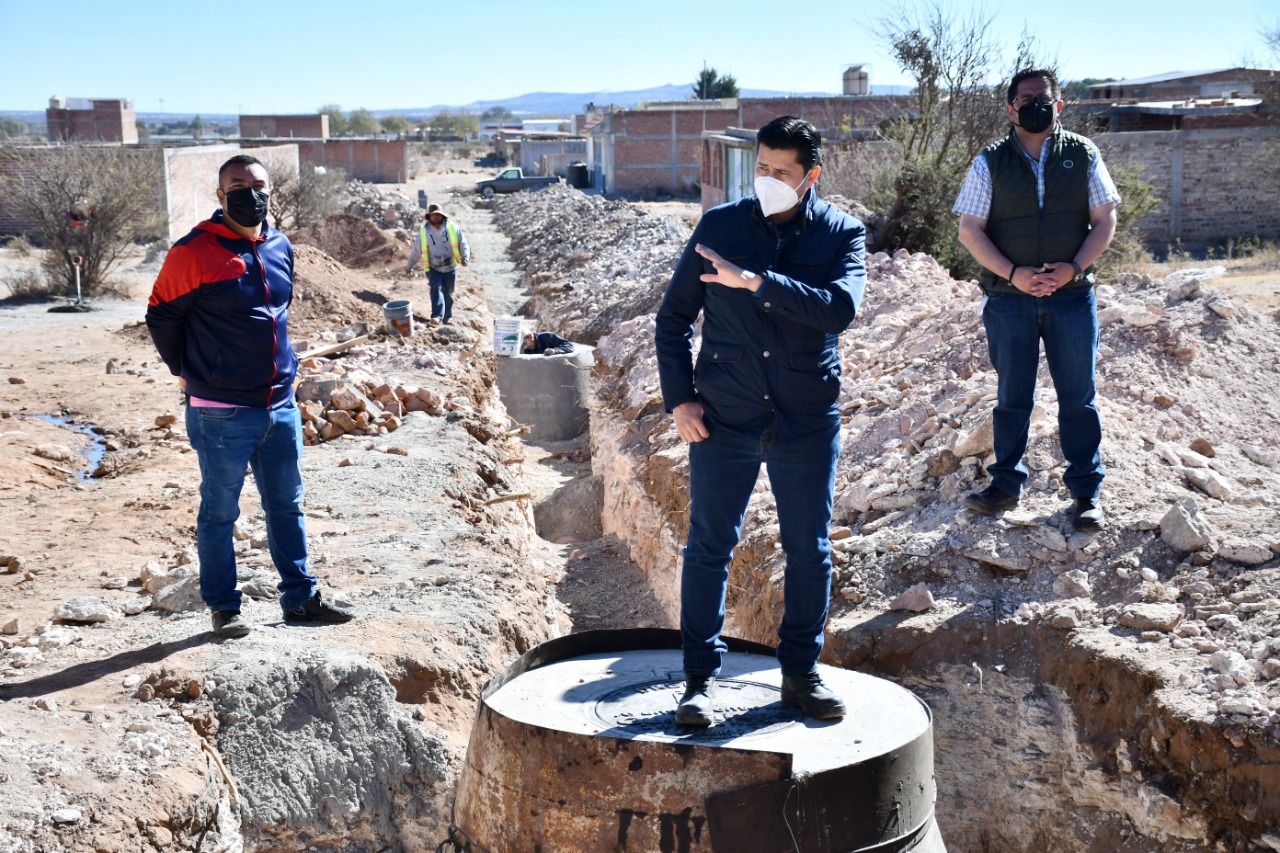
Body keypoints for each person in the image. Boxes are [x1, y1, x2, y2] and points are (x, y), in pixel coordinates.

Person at [655, 116, 867, 726]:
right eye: (763, 168)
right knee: (710, 546)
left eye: (783, 172)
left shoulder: (841, 234)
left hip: (806, 418)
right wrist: (681, 400)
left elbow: (839, 310)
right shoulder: (719, 227)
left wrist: (755, 282)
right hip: (725, 417)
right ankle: (699, 679)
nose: (769, 180)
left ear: (812, 176)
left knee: (810, 550)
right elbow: (672, 323)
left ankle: (800, 674)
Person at [146, 154, 355, 639]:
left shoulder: (281, 246)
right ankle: (224, 607)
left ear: (270, 192)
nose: (249, 192)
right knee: (220, 512)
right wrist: (189, 372)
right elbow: (161, 318)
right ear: (220, 196)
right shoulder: (193, 250)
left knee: (287, 505)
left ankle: (300, 600)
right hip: (220, 412)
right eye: (237, 185)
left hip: (279, 405)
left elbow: (276, 314)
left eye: (257, 184)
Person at [953, 68, 1120, 532]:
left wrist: (1074, 268)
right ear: (1010, 108)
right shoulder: (989, 162)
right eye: (1025, 99)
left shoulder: (1084, 154)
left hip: (1071, 298)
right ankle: (1005, 486)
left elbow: (1105, 219)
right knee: (1012, 398)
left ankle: (1086, 495)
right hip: (1009, 300)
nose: (1035, 105)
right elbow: (970, 231)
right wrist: (1013, 273)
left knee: (1078, 400)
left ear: (1059, 105)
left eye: (1043, 98)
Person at [405, 203, 470, 325]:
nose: (435, 217)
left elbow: (463, 243)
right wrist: (409, 265)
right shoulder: (424, 232)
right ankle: (437, 316)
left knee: (449, 292)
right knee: (436, 289)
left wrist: (465, 257)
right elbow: (416, 250)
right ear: (429, 217)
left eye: (438, 215)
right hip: (433, 267)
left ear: (442, 216)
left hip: (450, 266)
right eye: (433, 215)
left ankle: (447, 317)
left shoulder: (452, 228)